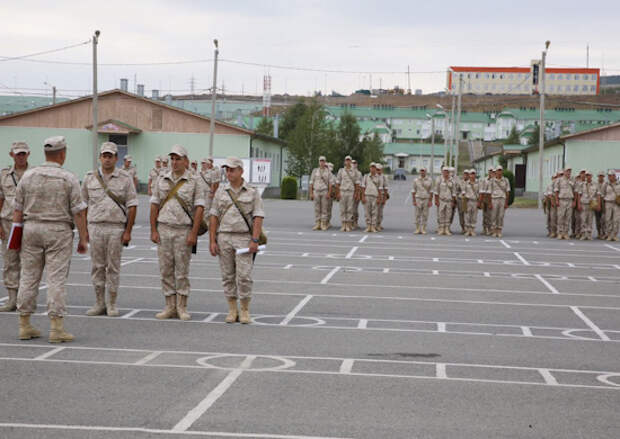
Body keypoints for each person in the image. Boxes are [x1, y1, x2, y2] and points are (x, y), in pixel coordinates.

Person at [14, 136, 88, 342]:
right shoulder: (68, 178)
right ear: (63, 154)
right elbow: (79, 212)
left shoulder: (28, 176)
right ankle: (56, 328)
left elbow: (17, 210)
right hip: (58, 230)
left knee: (28, 276)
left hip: (31, 228)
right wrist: (83, 238)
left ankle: (24, 324)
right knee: (56, 278)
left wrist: (16, 236)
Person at [81, 142, 138, 317]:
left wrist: (128, 231)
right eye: (104, 156)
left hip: (116, 228)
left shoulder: (125, 178)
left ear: (116, 158)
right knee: (97, 266)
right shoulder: (89, 178)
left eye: (110, 156)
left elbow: (132, 205)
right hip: (95, 226)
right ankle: (99, 303)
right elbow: (82, 206)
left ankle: (112, 303)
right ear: (100, 157)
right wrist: (84, 231)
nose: (107, 159)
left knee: (113, 267)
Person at [150, 145, 205, 321]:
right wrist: (153, 230)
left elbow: (199, 208)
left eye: (178, 159)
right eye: (172, 159)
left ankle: (182, 306)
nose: (174, 162)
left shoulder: (194, 180)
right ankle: (169, 306)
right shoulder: (162, 178)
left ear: (186, 161)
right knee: (165, 270)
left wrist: (194, 233)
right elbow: (154, 204)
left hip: (183, 230)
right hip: (164, 228)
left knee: (182, 271)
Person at [209, 157, 264, 324]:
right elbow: (213, 216)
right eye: (227, 170)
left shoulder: (252, 192)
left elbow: (258, 216)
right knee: (227, 275)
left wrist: (255, 239)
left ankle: (245, 309)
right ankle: (232, 309)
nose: (229, 173)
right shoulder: (221, 191)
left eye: (232, 170)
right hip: (224, 236)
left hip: (243, 238)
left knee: (244, 276)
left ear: (241, 171)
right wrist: (212, 240)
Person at [0, 142, 30, 312]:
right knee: (10, 261)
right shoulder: (4, 175)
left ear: (28, 154)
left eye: (23, 153)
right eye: (18, 154)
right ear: (11, 154)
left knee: (29, 262)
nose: (20, 157)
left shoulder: (34, 174)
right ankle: (12, 298)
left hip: (29, 223)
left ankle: (24, 299)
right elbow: (0, 199)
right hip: (8, 223)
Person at [336, 155, 360, 232]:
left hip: (350, 191)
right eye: (346, 160)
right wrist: (338, 193)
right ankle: (343, 224)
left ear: (351, 161)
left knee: (350, 209)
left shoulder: (354, 171)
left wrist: (356, 193)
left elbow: (357, 184)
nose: (348, 162)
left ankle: (349, 224)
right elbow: (338, 183)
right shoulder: (341, 171)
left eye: (349, 160)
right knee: (342, 209)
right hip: (342, 191)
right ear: (344, 161)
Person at [309, 156, 331, 231]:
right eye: (320, 161)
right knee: (317, 208)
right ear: (319, 162)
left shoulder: (328, 171)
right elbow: (311, 182)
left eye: (323, 161)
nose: (322, 162)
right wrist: (311, 193)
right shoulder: (315, 171)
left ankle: (323, 224)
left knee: (324, 208)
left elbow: (330, 183)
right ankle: (317, 223)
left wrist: (329, 193)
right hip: (316, 191)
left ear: (325, 162)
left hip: (324, 191)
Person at [360, 163, 384, 233]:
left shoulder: (379, 177)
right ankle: (368, 226)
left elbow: (380, 189)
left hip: (375, 196)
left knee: (374, 212)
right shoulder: (366, 176)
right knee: (367, 212)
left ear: (375, 169)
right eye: (371, 167)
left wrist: (379, 198)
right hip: (367, 195)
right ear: (369, 168)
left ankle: (373, 226)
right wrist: (362, 197)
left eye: (374, 167)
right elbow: (363, 187)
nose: (372, 169)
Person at [577, 171, 600, 241]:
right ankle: (584, 234)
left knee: (590, 219)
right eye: (587, 175)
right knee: (583, 219)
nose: (588, 177)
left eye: (589, 175)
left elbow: (598, 195)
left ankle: (589, 234)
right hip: (583, 204)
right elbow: (579, 195)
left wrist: (598, 204)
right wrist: (578, 204)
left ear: (591, 176)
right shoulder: (582, 184)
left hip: (591, 205)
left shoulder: (595, 185)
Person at [434, 166, 456, 235]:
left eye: (447, 172)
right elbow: (436, 191)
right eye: (444, 172)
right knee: (441, 215)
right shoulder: (439, 180)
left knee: (448, 215)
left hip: (449, 200)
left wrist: (453, 201)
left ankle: (446, 229)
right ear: (442, 172)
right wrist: (436, 201)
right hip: (441, 200)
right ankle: (441, 228)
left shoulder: (452, 180)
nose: (446, 173)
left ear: (449, 173)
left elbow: (454, 192)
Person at [554, 167, 575, 240]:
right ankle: (560, 232)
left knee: (568, 217)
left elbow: (575, 191)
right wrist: (556, 200)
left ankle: (566, 233)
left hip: (570, 200)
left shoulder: (572, 180)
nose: (568, 173)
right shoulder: (559, 180)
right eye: (567, 171)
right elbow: (556, 191)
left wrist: (574, 201)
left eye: (570, 171)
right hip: (562, 200)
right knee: (561, 217)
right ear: (564, 172)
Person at [490, 165, 510, 238]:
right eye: (498, 170)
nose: (499, 172)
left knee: (501, 216)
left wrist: (506, 203)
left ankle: (499, 230)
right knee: (494, 215)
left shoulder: (505, 180)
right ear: (495, 172)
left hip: (502, 198)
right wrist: (490, 203)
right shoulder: (492, 180)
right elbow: (490, 192)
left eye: (500, 170)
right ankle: (494, 230)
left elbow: (507, 192)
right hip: (494, 198)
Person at [411, 167, 433, 234]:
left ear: (426, 172)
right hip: (418, 198)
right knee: (417, 214)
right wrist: (414, 201)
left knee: (425, 214)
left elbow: (431, 191)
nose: (422, 172)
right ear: (419, 172)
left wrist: (430, 201)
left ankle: (423, 228)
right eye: (421, 171)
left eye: (423, 171)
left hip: (426, 198)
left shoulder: (430, 180)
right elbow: (413, 191)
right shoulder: (416, 180)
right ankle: (417, 228)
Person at [600, 170, 619, 241]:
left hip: (616, 204)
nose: (609, 177)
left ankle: (614, 235)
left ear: (614, 176)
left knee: (616, 220)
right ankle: (609, 234)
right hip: (608, 203)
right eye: (608, 176)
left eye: (610, 175)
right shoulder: (605, 184)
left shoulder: (619, 183)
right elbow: (602, 194)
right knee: (608, 219)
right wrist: (602, 205)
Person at [464, 169, 480, 236]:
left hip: (475, 201)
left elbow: (480, 193)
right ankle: (467, 230)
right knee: (467, 216)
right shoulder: (466, 183)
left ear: (475, 175)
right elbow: (463, 193)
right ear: (469, 175)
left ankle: (472, 229)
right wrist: (464, 203)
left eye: (473, 174)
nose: (472, 175)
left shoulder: (478, 183)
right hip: (468, 201)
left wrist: (479, 202)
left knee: (474, 216)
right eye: (471, 174)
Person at [544, 172, 560, 238]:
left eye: (557, 177)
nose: (556, 179)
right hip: (550, 202)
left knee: (558, 218)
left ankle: (557, 231)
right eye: (555, 177)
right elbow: (550, 195)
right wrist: (553, 202)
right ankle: (552, 231)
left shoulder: (560, 184)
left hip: (559, 201)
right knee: (551, 217)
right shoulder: (551, 184)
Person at [480, 167, 494, 235]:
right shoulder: (484, 180)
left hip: (493, 198)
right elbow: (482, 190)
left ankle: (490, 228)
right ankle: (484, 228)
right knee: (485, 214)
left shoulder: (495, 180)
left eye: (492, 171)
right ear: (488, 172)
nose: (491, 172)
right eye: (490, 171)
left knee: (491, 215)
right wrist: (481, 201)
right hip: (486, 198)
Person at [456, 169, 470, 234]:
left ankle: (468, 228)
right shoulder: (460, 182)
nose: (466, 175)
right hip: (461, 199)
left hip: (468, 200)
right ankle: (463, 228)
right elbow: (457, 190)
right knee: (461, 214)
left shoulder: (471, 182)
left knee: (467, 214)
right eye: (465, 174)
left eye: (467, 174)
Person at [376, 164, 389, 231]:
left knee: (379, 211)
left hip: (381, 195)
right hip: (373, 195)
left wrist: (384, 198)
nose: (377, 171)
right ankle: (373, 224)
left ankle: (378, 224)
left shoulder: (384, 177)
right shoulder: (372, 176)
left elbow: (386, 188)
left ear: (381, 170)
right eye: (377, 169)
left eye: (379, 169)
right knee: (372, 211)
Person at [595, 171, 607, 239]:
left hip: (604, 201)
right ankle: (599, 233)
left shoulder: (606, 184)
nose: (601, 177)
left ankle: (604, 232)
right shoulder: (595, 184)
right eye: (599, 176)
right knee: (597, 218)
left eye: (602, 176)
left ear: (603, 177)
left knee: (604, 218)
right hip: (597, 201)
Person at [351, 160, 363, 229]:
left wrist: (359, 194)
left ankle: (355, 222)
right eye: (353, 163)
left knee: (355, 209)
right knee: (349, 209)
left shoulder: (359, 173)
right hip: (349, 192)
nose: (354, 164)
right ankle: (350, 222)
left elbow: (361, 184)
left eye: (355, 163)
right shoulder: (348, 172)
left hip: (356, 192)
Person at [326, 162, 337, 229]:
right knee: (322, 209)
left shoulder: (333, 176)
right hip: (323, 192)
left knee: (328, 209)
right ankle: (322, 222)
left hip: (329, 194)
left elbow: (335, 186)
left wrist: (334, 194)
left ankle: (327, 221)